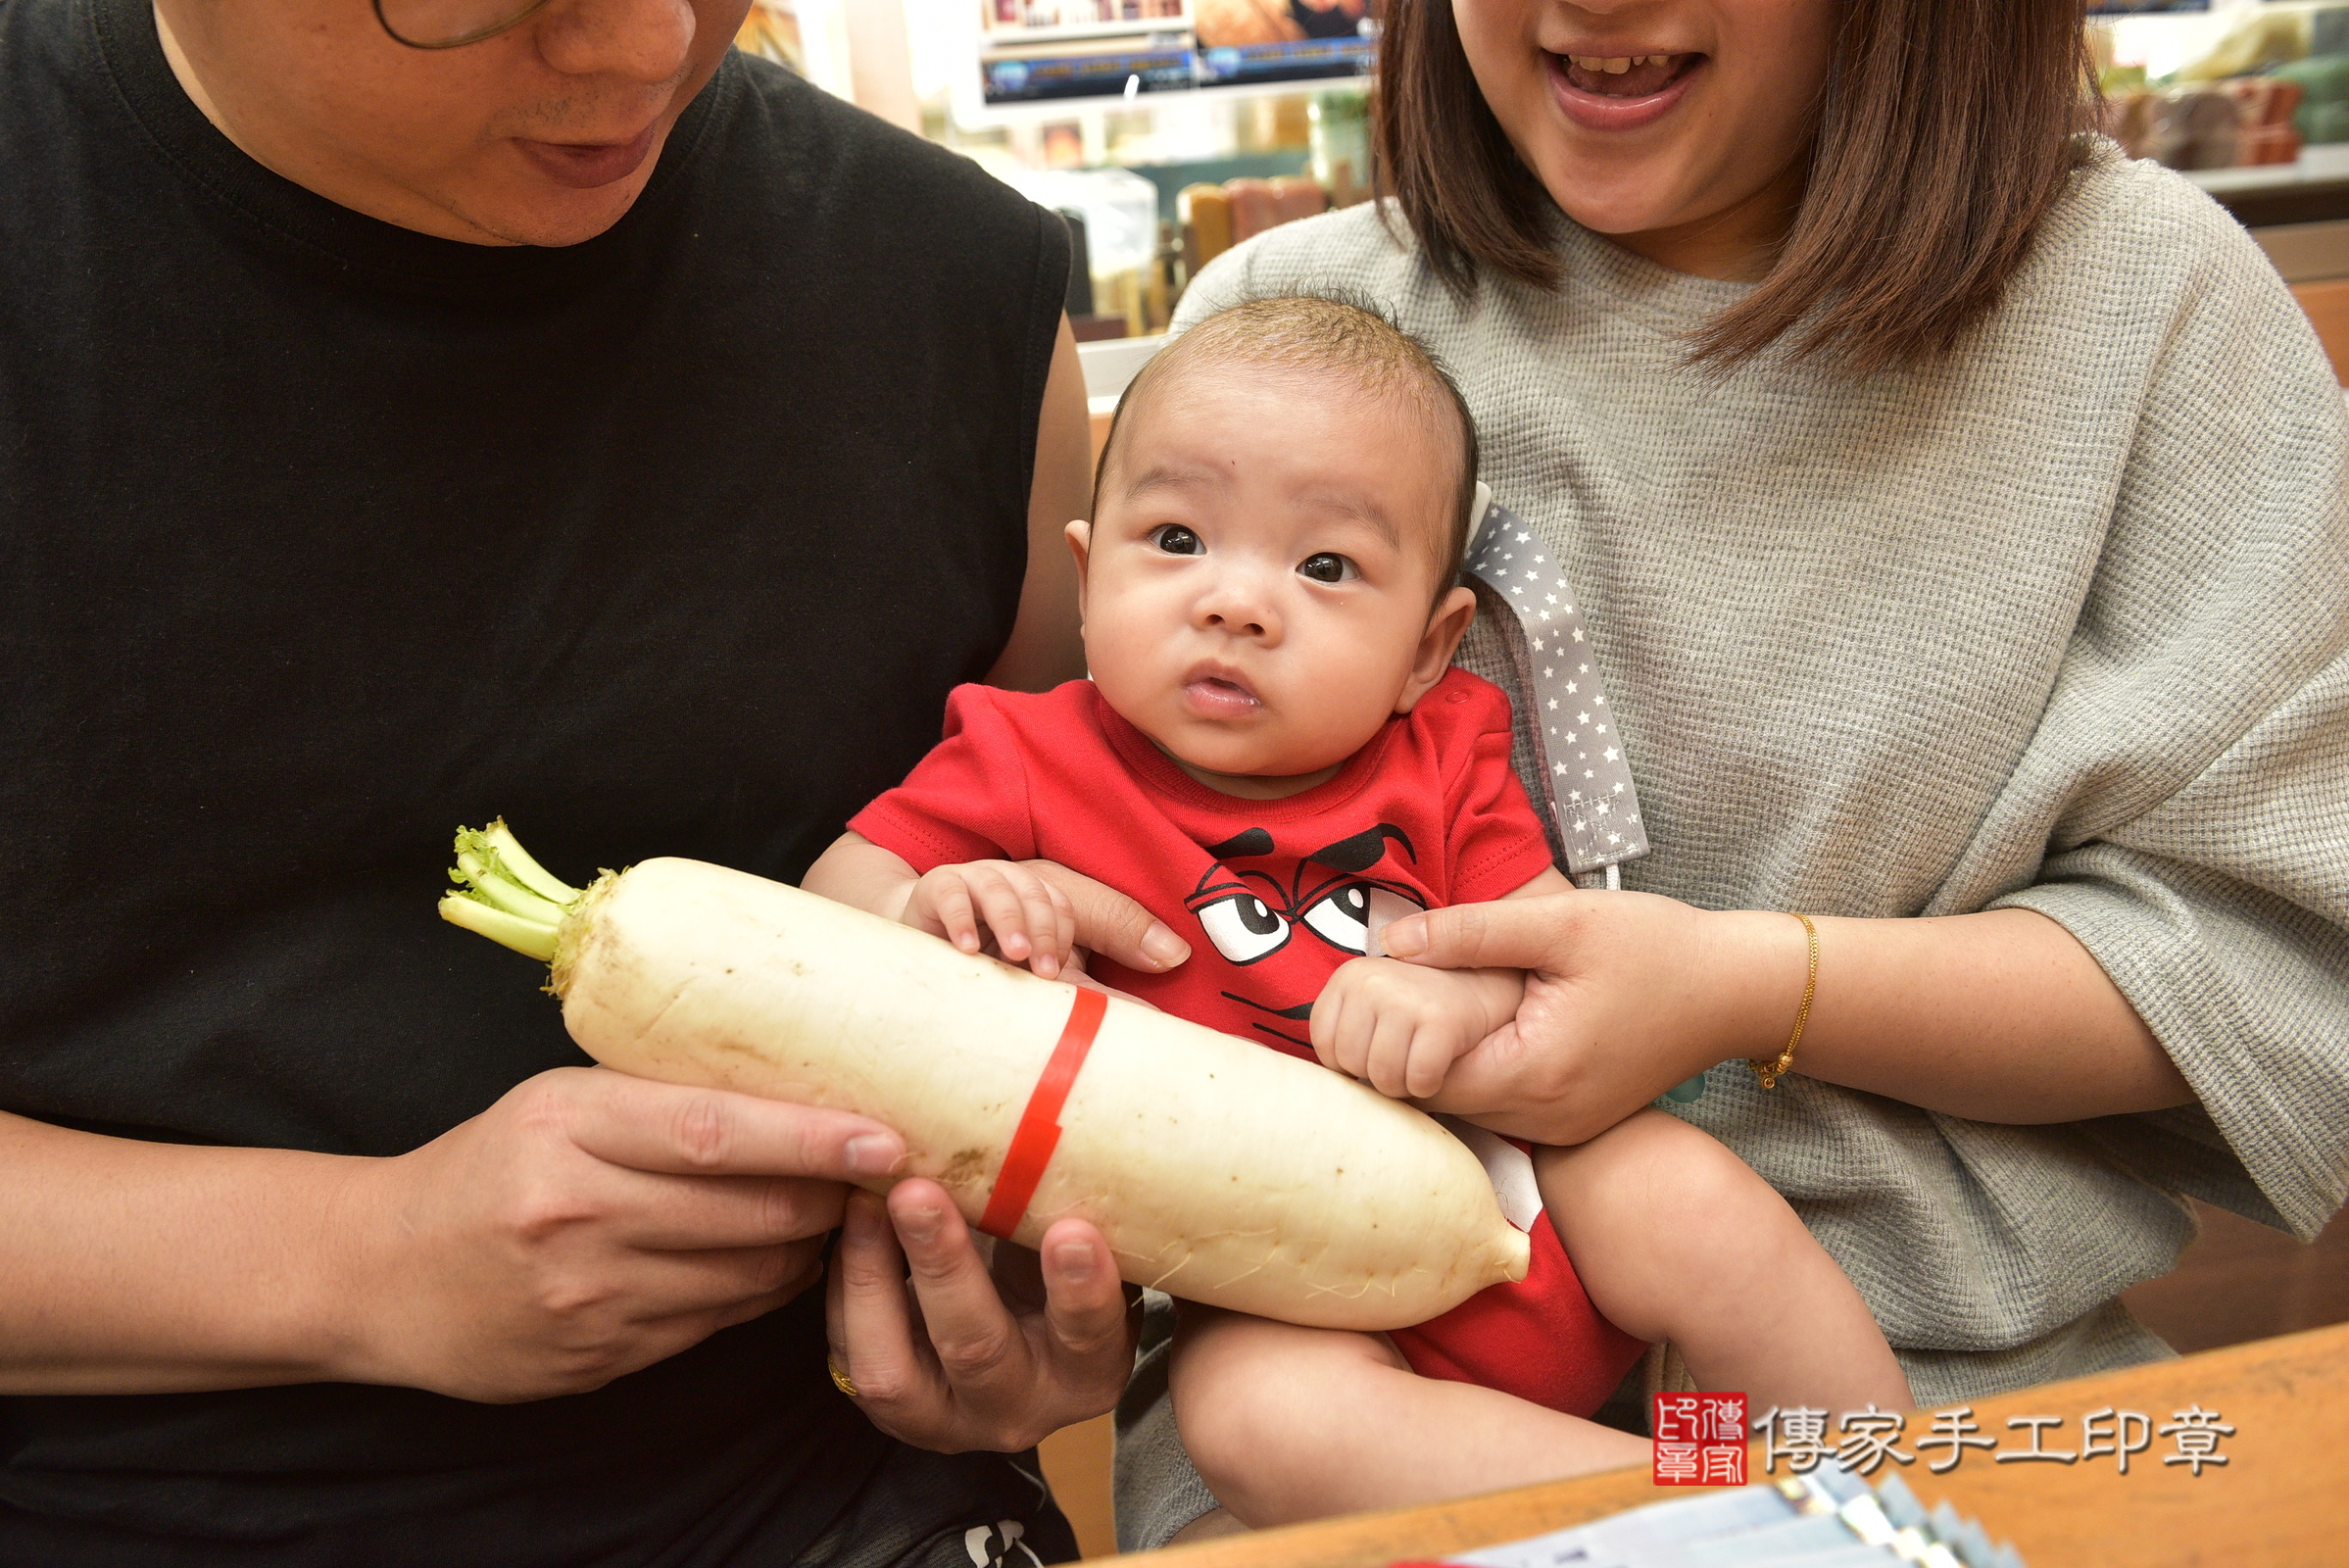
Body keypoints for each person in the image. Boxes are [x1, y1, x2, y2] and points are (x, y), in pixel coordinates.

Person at [1113, 0, 2349, 1547]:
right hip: (1356, 1409)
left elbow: (2266, 959)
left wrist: (1747, 987)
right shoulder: (1285, 331)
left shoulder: (2144, 304)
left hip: (1921, 1403)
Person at [0, 2, 1161, 1562]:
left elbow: (1073, 1005)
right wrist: (363, 1261)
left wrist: (1029, 1297)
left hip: (844, 1506)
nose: (640, 51)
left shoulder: (958, 291)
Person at [805, 295, 1912, 1527]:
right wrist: (939, 898)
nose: (1234, 602)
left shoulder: (1444, 750)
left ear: (1430, 649)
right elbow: (828, 909)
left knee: (1695, 1199)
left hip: (1531, 1189)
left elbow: (1557, 953)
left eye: (1324, 567)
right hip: (1286, 1282)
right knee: (1252, 1415)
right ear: (1083, 574)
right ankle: (1724, 1518)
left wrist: (1458, 991)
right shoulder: (1023, 754)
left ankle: (1897, 1496)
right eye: (1175, 538)